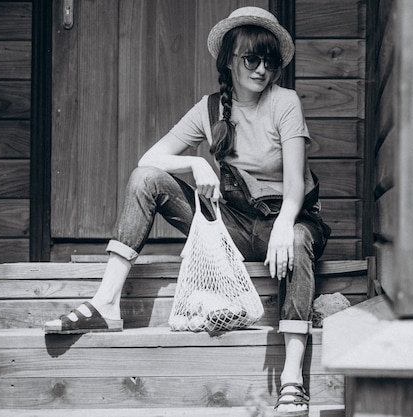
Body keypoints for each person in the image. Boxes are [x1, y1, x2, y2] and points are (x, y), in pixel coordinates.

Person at [44, 6, 330, 416]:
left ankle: (291, 378)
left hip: (284, 223)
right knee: (147, 178)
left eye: (270, 60)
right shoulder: (210, 109)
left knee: (299, 237)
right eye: (252, 58)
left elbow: (297, 182)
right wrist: (195, 163)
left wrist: (287, 222)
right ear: (230, 60)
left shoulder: (285, 103)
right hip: (232, 226)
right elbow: (151, 157)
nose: (262, 68)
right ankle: (106, 304)